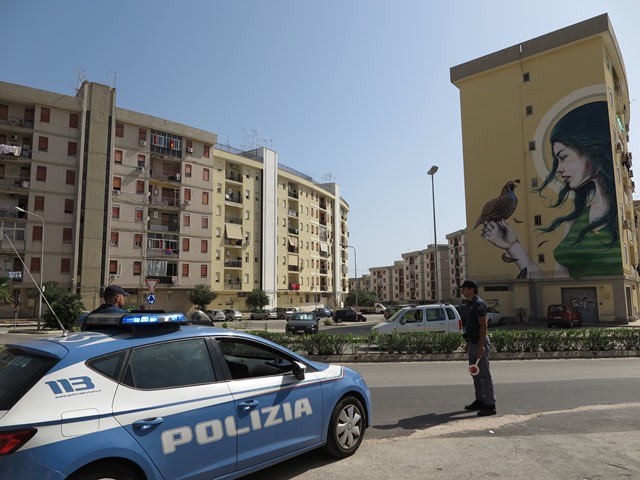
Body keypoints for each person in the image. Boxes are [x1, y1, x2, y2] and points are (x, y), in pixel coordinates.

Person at [481, 101, 621, 278]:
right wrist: (513, 246)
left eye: (563, 157)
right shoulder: (573, 224)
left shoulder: (622, 219)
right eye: (556, 161)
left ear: (591, 149)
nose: (559, 169)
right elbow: (556, 287)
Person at [460, 279, 496, 417]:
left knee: (485, 374)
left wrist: (481, 346)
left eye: (464, 288)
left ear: (471, 289)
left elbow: (483, 326)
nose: (462, 291)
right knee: (475, 373)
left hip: (480, 343)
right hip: (473, 343)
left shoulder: (478, 304)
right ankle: (480, 400)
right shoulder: (470, 304)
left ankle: (490, 404)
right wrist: (468, 344)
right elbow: (470, 326)